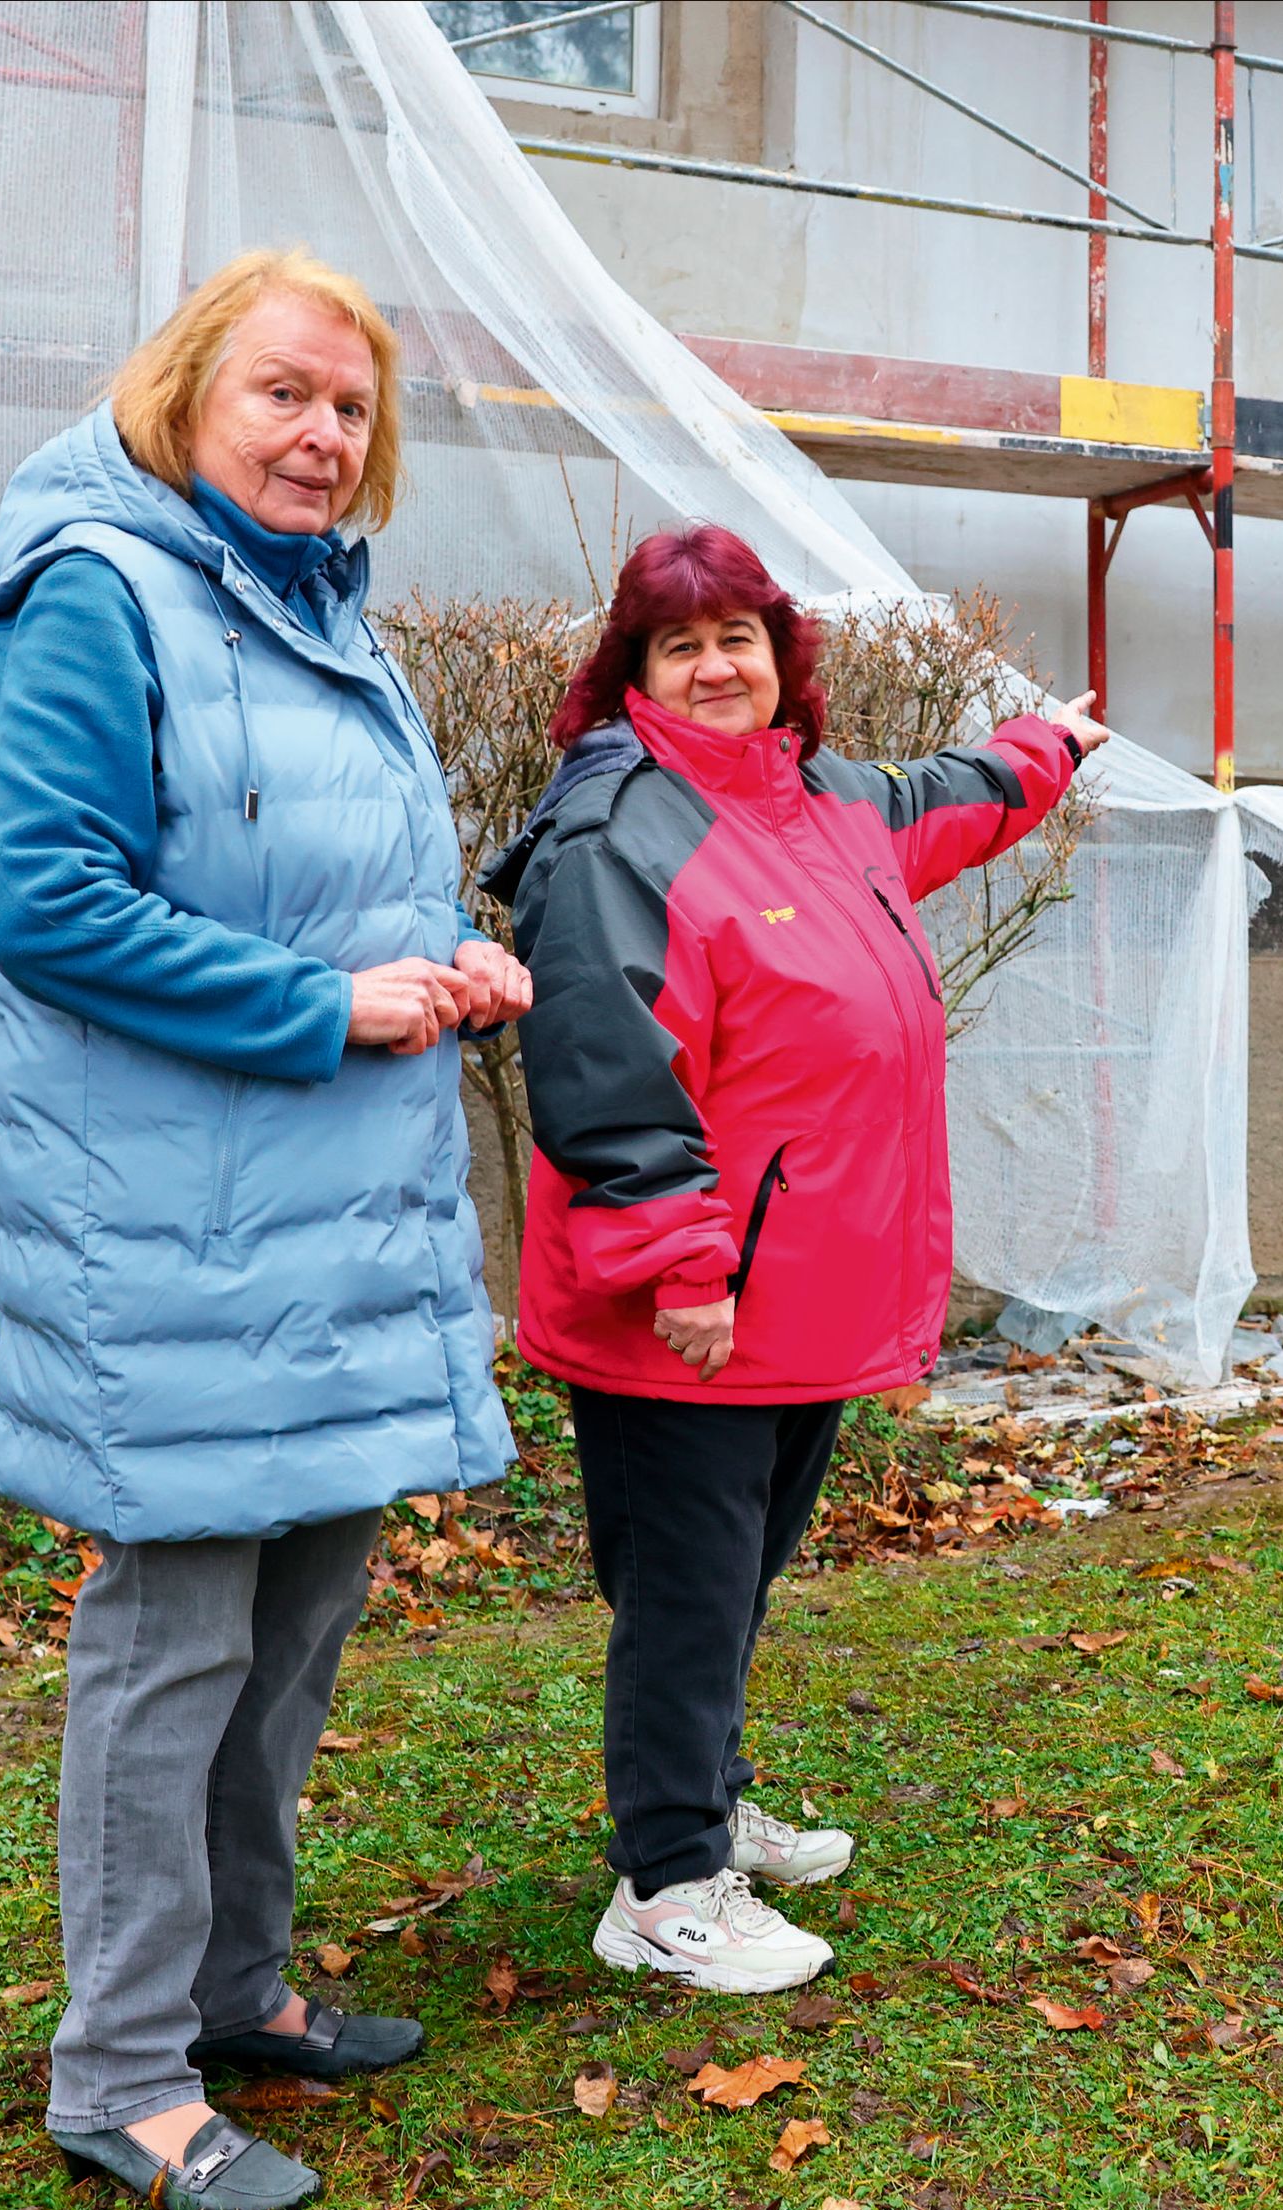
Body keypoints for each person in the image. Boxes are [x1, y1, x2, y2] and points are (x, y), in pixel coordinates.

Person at [0, 248, 528, 2210]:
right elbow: (47, 901)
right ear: (184, 393)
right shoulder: (96, 592)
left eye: (352, 407)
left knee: (295, 1635)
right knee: (176, 1644)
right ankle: (120, 2073)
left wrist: (445, 955)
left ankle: (234, 1990)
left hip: (334, 1224)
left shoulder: (316, 616)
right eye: (284, 392)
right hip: (174, 1236)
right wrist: (324, 1006)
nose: (321, 434)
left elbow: (320, 893)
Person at [482, 525, 1095, 1994]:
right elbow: (604, 1058)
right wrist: (681, 1262)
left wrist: (1049, 747)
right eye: (680, 645)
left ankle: (703, 1796)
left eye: (738, 639)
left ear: (780, 657)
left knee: (735, 1573)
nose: (715, 667)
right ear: (633, 672)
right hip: (691, 1304)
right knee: (687, 1589)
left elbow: (953, 798)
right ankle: (665, 1883)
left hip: (796, 1297)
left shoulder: (822, 799)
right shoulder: (616, 832)